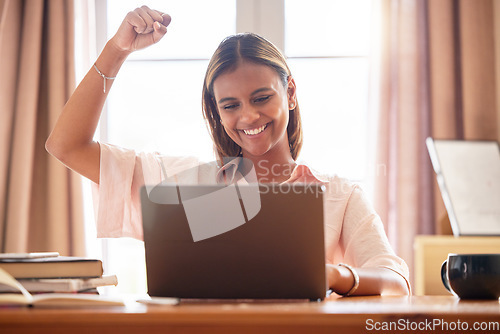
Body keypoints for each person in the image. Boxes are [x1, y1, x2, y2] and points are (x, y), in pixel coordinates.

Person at [46, 6, 410, 296]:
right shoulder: (184, 184)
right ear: (217, 112)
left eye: (262, 98)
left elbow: (395, 282)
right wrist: (116, 50)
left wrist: (330, 275)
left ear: (291, 93)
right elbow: (66, 146)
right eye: (230, 105)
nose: (248, 116)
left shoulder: (339, 195)